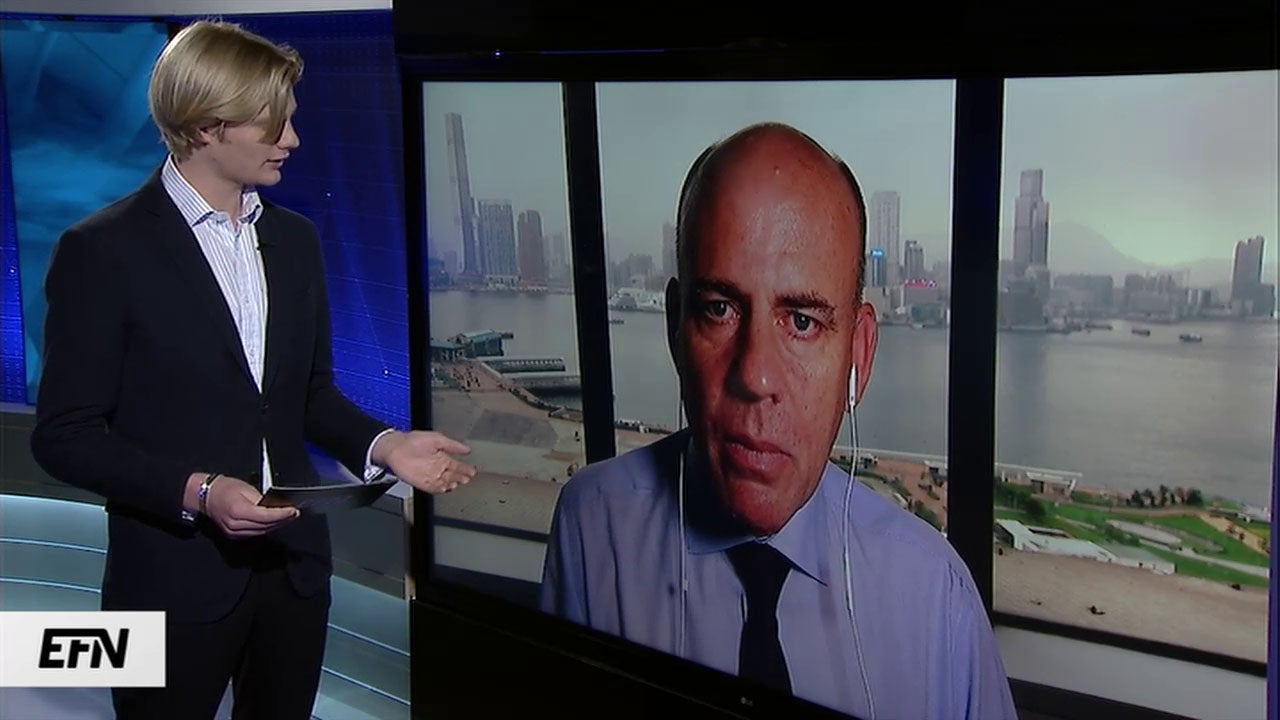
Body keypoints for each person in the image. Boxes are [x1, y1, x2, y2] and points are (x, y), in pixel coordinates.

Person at [29, 20, 475, 720]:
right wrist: (199, 492)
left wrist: (386, 445)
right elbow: (65, 435)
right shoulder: (103, 252)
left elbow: (309, 395)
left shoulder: (294, 241)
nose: (291, 139)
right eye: (272, 124)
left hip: (293, 575)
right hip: (171, 586)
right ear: (206, 127)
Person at [540, 123, 1016, 719]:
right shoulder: (593, 530)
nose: (757, 375)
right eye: (719, 309)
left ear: (859, 353)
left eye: (802, 322)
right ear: (675, 329)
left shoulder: (935, 599)